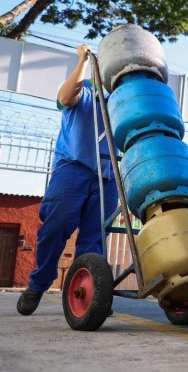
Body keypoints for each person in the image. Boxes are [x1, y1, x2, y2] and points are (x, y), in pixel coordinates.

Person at [17, 44, 118, 315]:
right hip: (73, 167)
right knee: (56, 226)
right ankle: (38, 283)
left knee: (94, 238)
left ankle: (92, 293)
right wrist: (82, 61)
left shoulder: (120, 101)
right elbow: (65, 95)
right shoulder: (82, 89)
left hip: (108, 176)